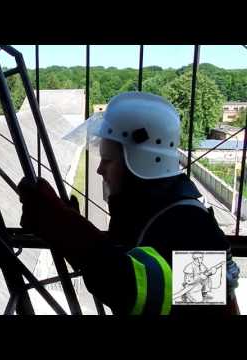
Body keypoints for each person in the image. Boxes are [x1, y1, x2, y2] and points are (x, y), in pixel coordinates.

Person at [18, 92, 240, 315]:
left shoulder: (192, 225)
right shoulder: (150, 210)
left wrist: (63, 225)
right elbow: (123, 258)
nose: (99, 169)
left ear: (141, 161)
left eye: (108, 159)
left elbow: (137, 293)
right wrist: (68, 226)